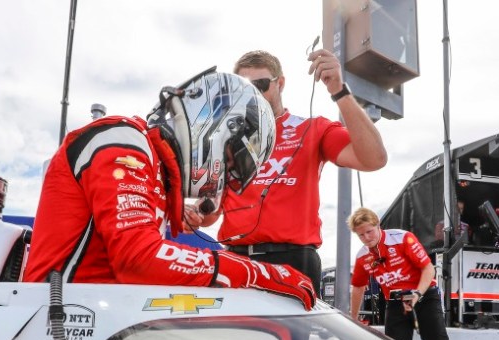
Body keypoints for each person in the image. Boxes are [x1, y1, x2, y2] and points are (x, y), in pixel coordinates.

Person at [22, 69, 315, 311]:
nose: (223, 176)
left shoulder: (151, 167)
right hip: (55, 323)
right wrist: (260, 272)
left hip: (96, 317)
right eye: (228, 160)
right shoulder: (123, 139)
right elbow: (138, 260)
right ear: (215, 126)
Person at [190, 49, 388, 287]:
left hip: (293, 260)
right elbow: (212, 211)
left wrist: (339, 90)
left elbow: (374, 159)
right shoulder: (226, 140)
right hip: (235, 258)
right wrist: (196, 214)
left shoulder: (312, 129)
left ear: (280, 83)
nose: (253, 95)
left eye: (261, 84)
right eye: (243, 89)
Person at [347, 207, 474, 340]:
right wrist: (353, 318)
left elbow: (429, 269)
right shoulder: (362, 256)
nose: (366, 238)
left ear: (378, 225)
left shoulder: (402, 238)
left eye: (369, 232)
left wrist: (417, 294)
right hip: (395, 302)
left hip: (424, 296)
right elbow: (358, 287)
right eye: (361, 235)